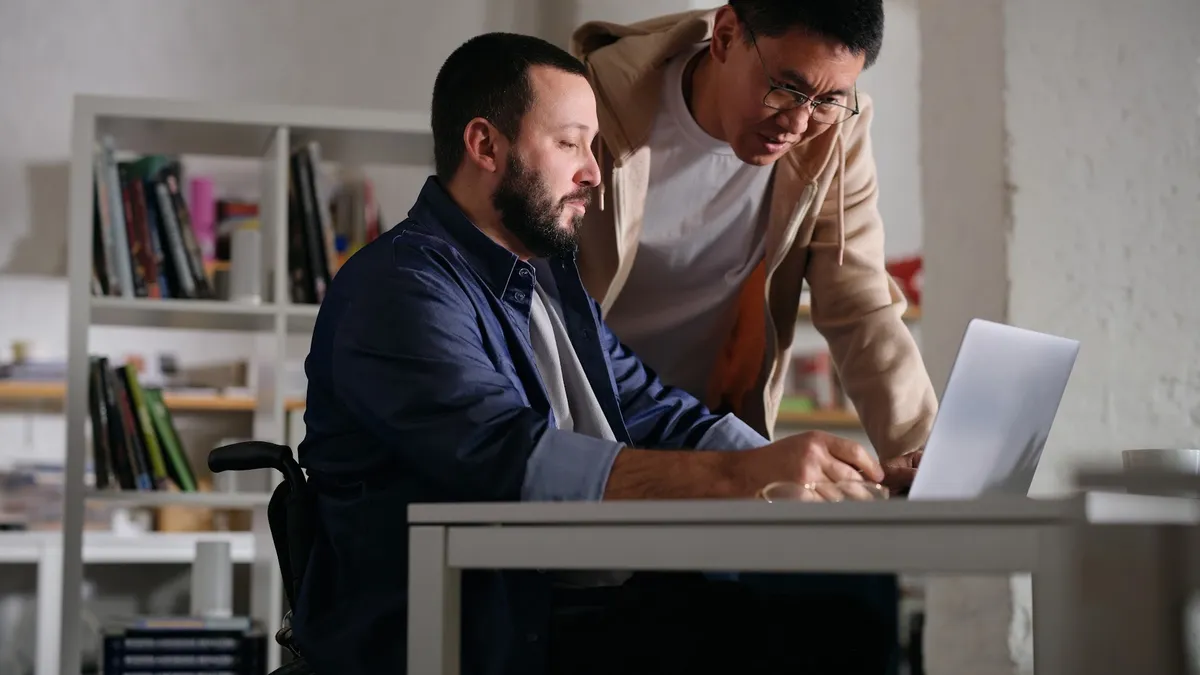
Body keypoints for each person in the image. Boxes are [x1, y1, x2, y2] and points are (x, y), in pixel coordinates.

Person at [291, 31, 908, 675]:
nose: (592, 171)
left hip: (558, 611)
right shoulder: (399, 288)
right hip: (476, 632)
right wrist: (739, 478)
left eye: (592, 144)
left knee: (843, 594)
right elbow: (508, 458)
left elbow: (654, 409)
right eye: (568, 144)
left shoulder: (549, 279)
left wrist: (826, 476)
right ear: (484, 145)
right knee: (822, 616)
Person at [569, 0, 937, 462]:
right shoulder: (592, 101)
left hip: (697, 430)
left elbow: (859, 305)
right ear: (725, 36)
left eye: (827, 101)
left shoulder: (836, 133)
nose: (798, 124)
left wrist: (923, 456)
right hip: (569, 413)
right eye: (785, 87)